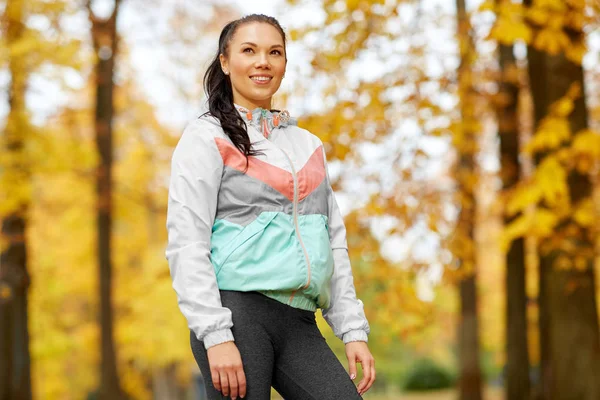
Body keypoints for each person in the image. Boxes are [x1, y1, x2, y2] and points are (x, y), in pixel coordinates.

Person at [165, 13, 375, 400]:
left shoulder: (307, 145)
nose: (263, 61)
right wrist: (215, 335)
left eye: (274, 52)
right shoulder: (206, 137)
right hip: (237, 316)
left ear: (283, 64)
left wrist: (352, 330)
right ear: (226, 62)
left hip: (299, 321)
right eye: (249, 50)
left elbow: (334, 244)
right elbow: (186, 242)